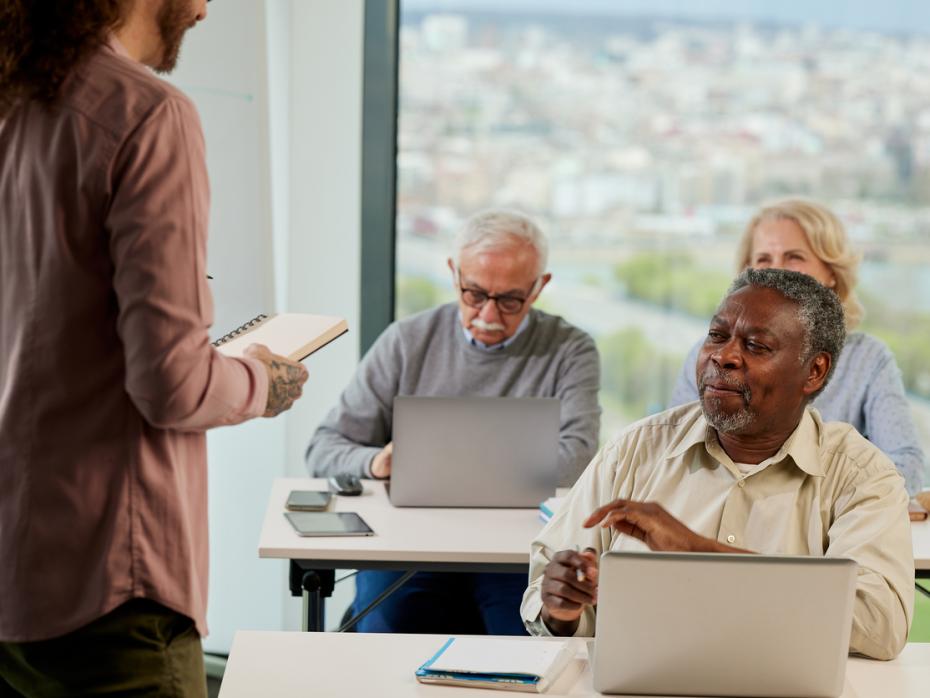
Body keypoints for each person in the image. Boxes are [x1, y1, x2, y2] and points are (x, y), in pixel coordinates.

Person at [0, 2, 308, 696]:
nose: (202, 8)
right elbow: (172, 385)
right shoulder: (146, 112)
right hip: (111, 590)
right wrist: (262, 381)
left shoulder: (13, 103)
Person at [522, 268, 914, 661]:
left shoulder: (860, 475)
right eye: (716, 336)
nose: (723, 356)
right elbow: (549, 595)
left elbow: (879, 625)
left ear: (814, 371)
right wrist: (561, 611)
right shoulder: (634, 450)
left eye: (757, 345)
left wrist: (696, 552)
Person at [306, 209, 601, 635]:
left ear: (540, 288)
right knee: (385, 629)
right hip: (409, 547)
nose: (489, 315)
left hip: (516, 552)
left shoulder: (571, 350)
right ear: (453, 274)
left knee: (526, 642)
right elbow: (324, 448)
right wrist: (376, 463)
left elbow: (577, 459)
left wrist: (444, 465)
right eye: (474, 294)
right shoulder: (407, 340)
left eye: (510, 300)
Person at [670, 198, 925, 494]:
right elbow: (676, 456)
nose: (777, 272)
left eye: (794, 257)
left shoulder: (868, 359)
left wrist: (806, 508)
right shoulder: (712, 358)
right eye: (764, 259)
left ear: (832, 273)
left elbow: (907, 466)